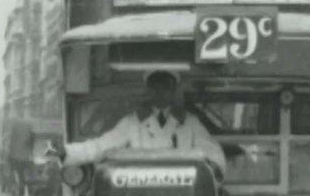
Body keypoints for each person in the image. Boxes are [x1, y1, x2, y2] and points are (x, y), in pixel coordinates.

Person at [50, 70, 226, 175]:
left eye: (165, 87)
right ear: (148, 90)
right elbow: (101, 146)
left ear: (173, 90)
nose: (160, 92)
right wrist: (67, 152)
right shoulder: (132, 122)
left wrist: (215, 170)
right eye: (156, 87)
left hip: (183, 193)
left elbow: (213, 153)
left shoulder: (189, 122)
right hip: (140, 195)